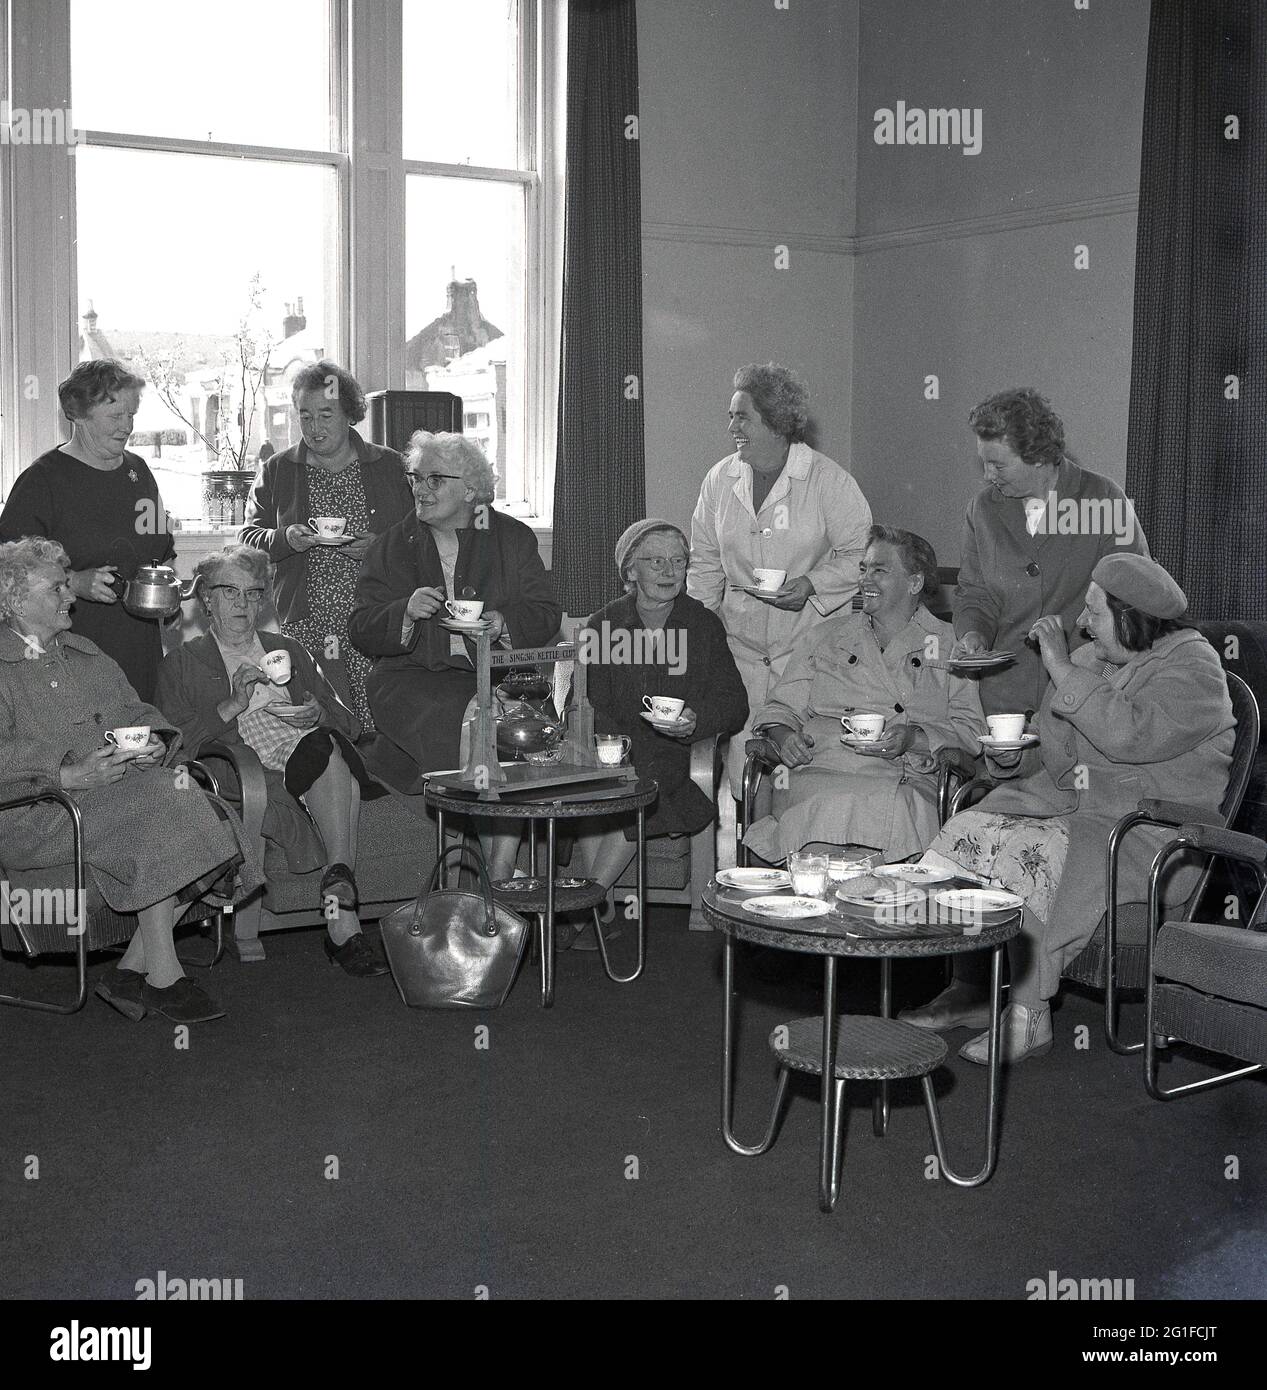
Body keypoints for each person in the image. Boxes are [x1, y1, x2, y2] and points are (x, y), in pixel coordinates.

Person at [901, 554, 1235, 1064]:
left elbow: (1129, 733)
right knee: (970, 827)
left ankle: (1029, 1014)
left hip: (1149, 832)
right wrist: (1013, 755)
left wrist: (1058, 664)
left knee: (1033, 850)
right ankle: (977, 987)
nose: (1081, 624)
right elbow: (1053, 750)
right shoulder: (1095, 660)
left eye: (1094, 613)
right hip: (1071, 812)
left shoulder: (1194, 665)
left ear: (1130, 616)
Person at [0, 537, 262, 1023]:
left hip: (114, 796)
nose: (70, 596)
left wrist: (158, 741)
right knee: (169, 802)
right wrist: (66, 772)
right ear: (15, 600)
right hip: (35, 812)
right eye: (56, 588)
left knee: (189, 800)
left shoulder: (85, 654)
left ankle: (129, 973)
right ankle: (163, 974)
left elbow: (137, 711)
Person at [156, 547, 388, 978]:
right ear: (207, 597)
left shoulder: (289, 650)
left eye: (253, 593)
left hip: (306, 750)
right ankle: (342, 918)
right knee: (333, 763)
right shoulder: (183, 663)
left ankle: (341, 896)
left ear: (263, 600)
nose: (244, 603)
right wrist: (233, 703)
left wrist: (318, 711)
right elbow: (172, 745)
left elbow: (349, 724)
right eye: (230, 592)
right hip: (246, 766)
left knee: (325, 747)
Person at [743, 527, 984, 864]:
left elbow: (971, 731)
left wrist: (913, 738)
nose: (865, 580)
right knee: (814, 806)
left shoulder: (948, 645)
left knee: (899, 810)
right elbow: (780, 707)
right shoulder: (827, 636)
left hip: (903, 777)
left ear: (914, 583)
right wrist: (784, 738)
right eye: (863, 569)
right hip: (819, 770)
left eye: (879, 570)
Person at [687, 363, 872, 790]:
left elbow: (861, 555)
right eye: (731, 414)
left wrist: (811, 585)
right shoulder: (720, 480)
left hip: (809, 652)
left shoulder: (828, 481)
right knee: (745, 781)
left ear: (775, 423)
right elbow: (705, 562)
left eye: (742, 416)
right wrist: (705, 623)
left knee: (803, 779)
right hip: (741, 657)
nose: (731, 424)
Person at [349, 431, 562, 796]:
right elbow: (360, 627)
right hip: (412, 678)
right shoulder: (393, 544)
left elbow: (545, 612)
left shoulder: (511, 538)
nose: (420, 489)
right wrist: (404, 612)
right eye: (416, 477)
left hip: (499, 673)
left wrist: (503, 623)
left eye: (434, 479)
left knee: (533, 730)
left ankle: (507, 843)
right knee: (474, 718)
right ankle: (476, 833)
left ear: (469, 490)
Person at [567, 521, 748, 939]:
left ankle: (585, 909)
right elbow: (586, 701)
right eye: (656, 561)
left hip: (677, 753)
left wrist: (695, 721)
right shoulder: (603, 624)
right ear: (631, 571)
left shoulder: (702, 625)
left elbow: (734, 701)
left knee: (637, 786)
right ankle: (597, 909)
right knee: (604, 785)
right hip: (613, 749)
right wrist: (611, 748)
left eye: (678, 561)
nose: (669, 570)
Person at [953, 386, 1149, 716]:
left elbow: (1131, 600)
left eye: (998, 467)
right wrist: (974, 635)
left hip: (1087, 690)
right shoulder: (982, 510)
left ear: (1039, 458)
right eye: (984, 464)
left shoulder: (1103, 499)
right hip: (1006, 696)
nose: (988, 476)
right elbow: (976, 593)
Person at [239, 359, 413, 730]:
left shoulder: (390, 466)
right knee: (320, 717)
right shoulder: (278, 469)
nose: (314, 428)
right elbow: (248, 538)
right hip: (307, 619)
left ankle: (381, 784)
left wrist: (379, 547)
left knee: (380, 713)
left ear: (349, 413)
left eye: (325, 414)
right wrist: (285, 539)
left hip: (375, 614)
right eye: (305, 416)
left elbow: (420, 539)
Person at [0, 360, 175, 703]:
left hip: (138, 648)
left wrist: (170, 600)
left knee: (143, 737)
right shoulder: (43, 481)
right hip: (69, 650)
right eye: (114, 417)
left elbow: (161, 550)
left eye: (131, 415)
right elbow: (10, 575)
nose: (127, 427)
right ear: (78, 415)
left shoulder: (139, 472)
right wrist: (74, 582)